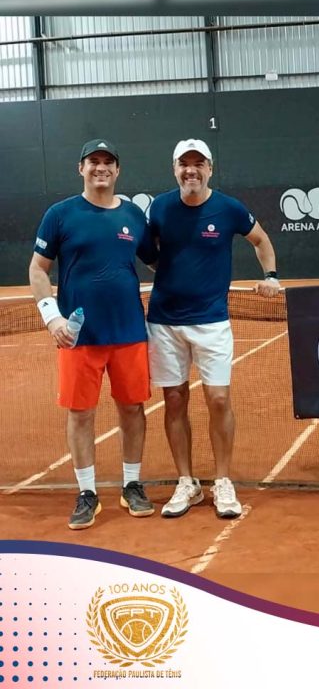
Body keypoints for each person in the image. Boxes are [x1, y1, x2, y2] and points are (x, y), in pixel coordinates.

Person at [147, 138, 280, 519]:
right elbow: (150, 253)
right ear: (175, 169)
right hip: (165, 322)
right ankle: (186, 483)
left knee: (218, 399)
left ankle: (222, 480)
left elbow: (261, 240)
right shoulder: (159, 208)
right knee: (174, 400)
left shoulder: (229, 208)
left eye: (198, 163)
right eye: (184, 164)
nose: (191, 170)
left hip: (212, 321)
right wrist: (173, 273)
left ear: (210, 169)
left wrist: (271, 275)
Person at [29, 138, 157, 529]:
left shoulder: (133, 215)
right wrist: (52, 318)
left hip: (129, 331)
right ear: (81, 168)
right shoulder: (60, 214)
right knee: (81, 413)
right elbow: (37, 269)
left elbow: (159, 262)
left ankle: (132, 485)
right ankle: (87, 492)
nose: (100, 167)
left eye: (107, 162)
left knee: (132, 409)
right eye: (93, 161)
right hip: (78, 336)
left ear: (117, 170)